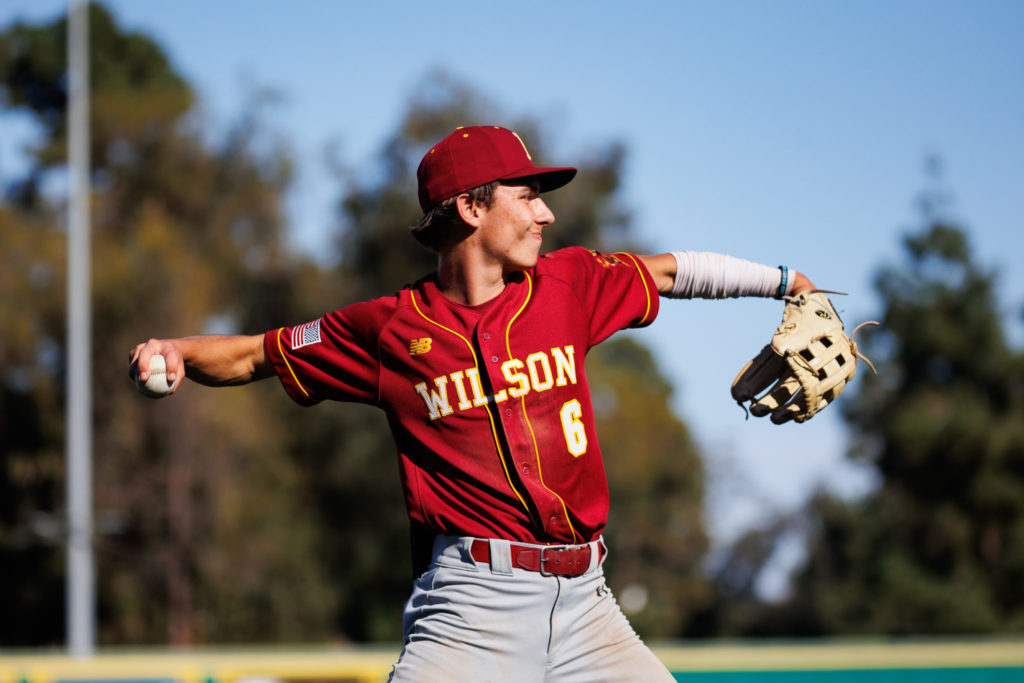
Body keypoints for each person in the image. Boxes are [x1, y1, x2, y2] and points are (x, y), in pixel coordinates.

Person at [130, 125, 815, 681]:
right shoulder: (389, 330)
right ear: (471, 208)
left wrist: (786, 283)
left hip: (588, 607)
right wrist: (181, 350)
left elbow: (668, 272)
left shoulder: (569, 284)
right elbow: (256, 354)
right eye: (528, 195)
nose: (546, 212)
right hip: (471, 611)